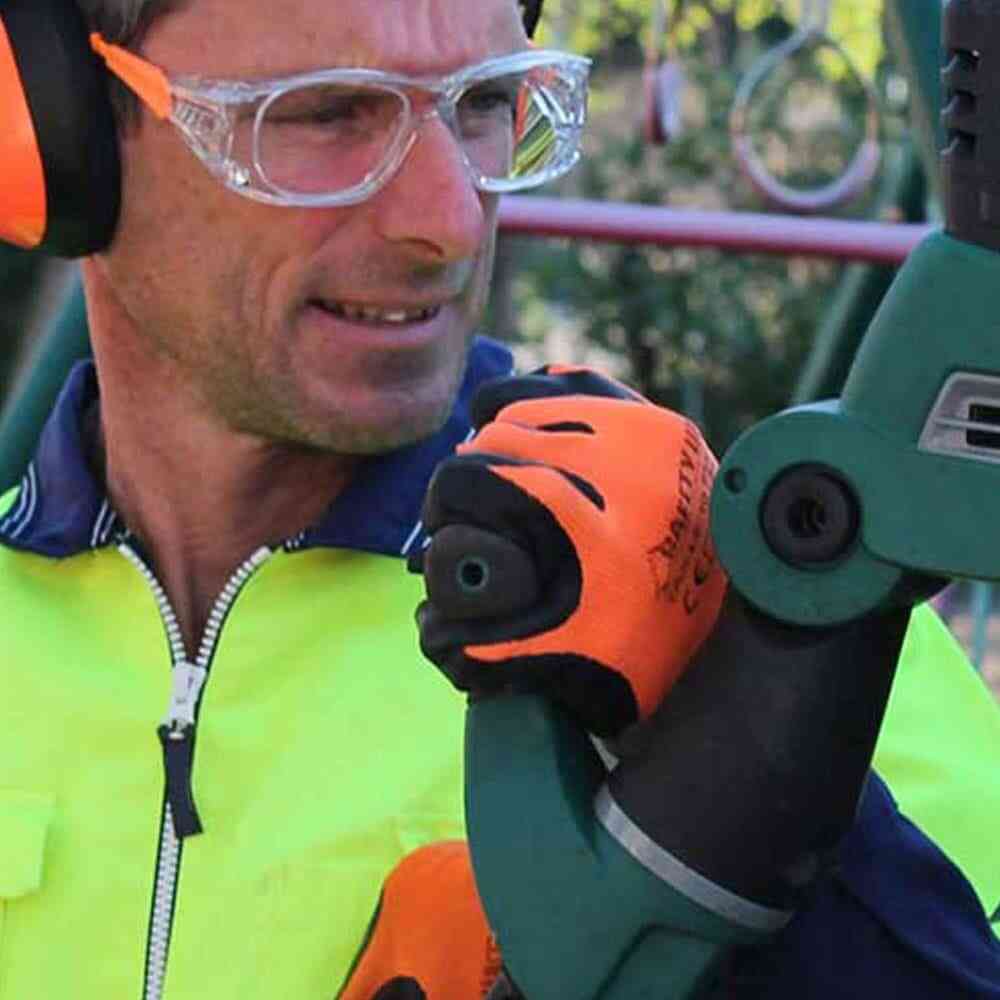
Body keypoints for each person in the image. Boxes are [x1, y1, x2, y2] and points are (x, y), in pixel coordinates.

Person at [0, 1, 996, 999]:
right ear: (53, 133)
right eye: (323, 113)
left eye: (482, 103)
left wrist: (760, 812)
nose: (448, 219)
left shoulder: (792, 621)